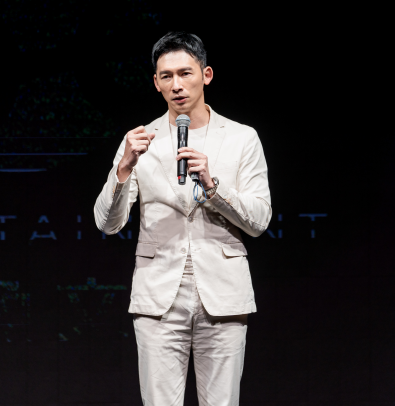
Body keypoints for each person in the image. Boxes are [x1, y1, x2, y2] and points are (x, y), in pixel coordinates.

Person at [93, 31, 271, 406]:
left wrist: (212, 185)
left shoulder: (241, 138)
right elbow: (107, 223)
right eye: (167, 76)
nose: (177, 85)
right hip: (158, 295)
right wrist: (124, 168)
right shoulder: (141, 140)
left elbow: (259, 220)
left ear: (206, 75)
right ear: (156, 83)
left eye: (185, 73)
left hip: (223, 294)